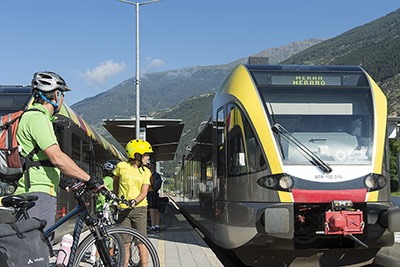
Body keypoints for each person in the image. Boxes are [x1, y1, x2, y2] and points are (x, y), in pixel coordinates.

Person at [14, 71, 104, 236]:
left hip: (38, 191)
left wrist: (64, 181)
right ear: (56, 94)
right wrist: (89, 179)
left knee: (40, 247)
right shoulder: (37, 117)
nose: (62, 99)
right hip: (37, 194)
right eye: (62, 94)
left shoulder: (38, 117)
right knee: (37, 253)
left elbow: (38, 159)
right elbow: (57, 157)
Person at [113, 139, 153, 267]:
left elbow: (144, 191)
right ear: (137, 155)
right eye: (146, 154)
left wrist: (135, 201)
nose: (148, 157)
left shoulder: (146, 172)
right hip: (123, 209)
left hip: (140, 209)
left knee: (142, 241)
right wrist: (116, 197)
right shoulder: (121, 167)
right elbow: (115, 182)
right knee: (125, 242)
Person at [147, 164, 161, 233]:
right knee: (156, 210)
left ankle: (152, 226)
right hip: (156, 193)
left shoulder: (148, 174)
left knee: (151, 210)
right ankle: (157, 226)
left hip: (150, 193)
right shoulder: (156, 174)